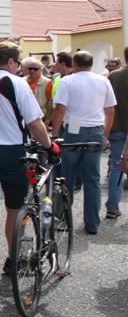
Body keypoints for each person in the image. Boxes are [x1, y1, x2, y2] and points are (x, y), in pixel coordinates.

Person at [0, 41, 54, 287]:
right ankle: (13, 259)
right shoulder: (16, 83)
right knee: (15, 210)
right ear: (12, 62)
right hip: (12, 153)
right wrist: (49, 146)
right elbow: (35, 124)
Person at [52, 51, 116, 235]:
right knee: (92, 180)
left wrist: (55, 136)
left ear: (75, 64)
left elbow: (60, 110)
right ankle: (92, 223)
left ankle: (64, 219)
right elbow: (110, 111)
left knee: (67, 177)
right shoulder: (103, 80)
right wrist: (105, 135)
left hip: (73, 130)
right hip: (95, 130)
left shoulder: (68, 81)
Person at [106, 47, 128, 220]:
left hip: (117, 126)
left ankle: (112, 207)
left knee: (116, 166)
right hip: (119, 127)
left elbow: (108, 104)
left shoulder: (114, 76)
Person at [21, 56, 53, 125]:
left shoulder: (47, 82)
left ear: (41, 70)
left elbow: (50, 103)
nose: (32, 70)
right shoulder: (22, 80)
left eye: (36, 69)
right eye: (30, 68)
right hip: (23, 119)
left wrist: (47, 120)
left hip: (39, 120)